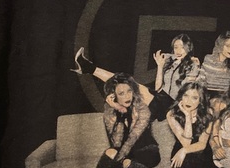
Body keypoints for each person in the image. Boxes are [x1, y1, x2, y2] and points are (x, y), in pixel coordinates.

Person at [77, 73, 171, 168]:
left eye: (129, 91)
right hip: (124, 153)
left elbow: (132, 140)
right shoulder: (110, 111)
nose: (127, 96)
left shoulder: (143, 109)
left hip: (148, 151)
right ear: (113, 96)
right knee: (110, 152)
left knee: (126, 162)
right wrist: (118, 111)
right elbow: (116, 142)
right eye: (121, 93)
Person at [71, 33, 199, 120]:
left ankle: (87, 67)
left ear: (188, 48)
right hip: (159, 98)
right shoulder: (171, 64)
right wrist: (160, 66)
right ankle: (88, 68)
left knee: (126, 82)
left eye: (182, 47)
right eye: (176, 47)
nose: (178, 51)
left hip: (170, 105)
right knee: (124, 83)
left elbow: (189, 92)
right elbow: (158, 88)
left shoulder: (193, 65)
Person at [165, 82, 225, 168]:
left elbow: (202, 144)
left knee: (202, 163)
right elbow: (186, 143)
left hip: (201, 149)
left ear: (201, 100)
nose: (188, 101)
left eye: (194, 97)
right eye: (185, 96)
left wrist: (184, 151)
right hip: (181, 146)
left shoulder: (208, 113)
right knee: (181, 165)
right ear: (181, 97)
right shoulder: (172, 114)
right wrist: (187, 116)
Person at [196, 31, 230, 99]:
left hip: (228, 98)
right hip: (208, 97)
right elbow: (201, 81)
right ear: (220, 46)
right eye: (228, 46)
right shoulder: (208, 59)